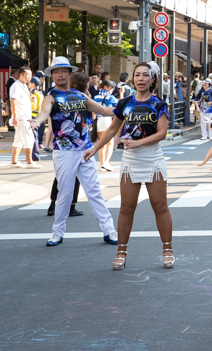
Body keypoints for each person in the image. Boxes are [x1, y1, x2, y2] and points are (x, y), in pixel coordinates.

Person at [85, 63, 174, 270]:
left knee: (160, 206)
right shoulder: (124, 103)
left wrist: (138, 143)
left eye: (145, 75)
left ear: (153, 80)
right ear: (133, 79)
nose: (141, 78)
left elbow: (162, 133)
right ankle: (121, 252)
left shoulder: (159, 104)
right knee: (126, 207)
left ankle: (167, 249)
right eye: (137, 75)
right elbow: (111, 130)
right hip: (130, 160)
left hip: (153, 158)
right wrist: (95, 148)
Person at [30, 57, 117, 247]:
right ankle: (57, 232)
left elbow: (102, 110)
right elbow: (45, 112)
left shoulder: (79, 95)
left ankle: (109, 231)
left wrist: (124, 107)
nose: (60, 74)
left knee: (94, 191)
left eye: (63, 71)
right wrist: (38, 121)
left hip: (85, 149)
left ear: (70, 74)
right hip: (64, 151)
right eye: (56, 71)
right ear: (52, 75)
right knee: (65, 194)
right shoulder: (50, 96)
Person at [9, 67, 41, 169]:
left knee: (19, 138)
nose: (29, 77)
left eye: (30, 75)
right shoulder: (16, 86)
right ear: (21, 75)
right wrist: (14, 116)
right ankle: (29, 161)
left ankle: (14, 161)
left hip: (24, 116)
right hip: (21, 116)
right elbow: (13, 101)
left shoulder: (23, 86)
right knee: (29, 137)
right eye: (27, 75)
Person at [93, 79, 118, 172]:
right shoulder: (111, 97)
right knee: (110, 143)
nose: (112, 90)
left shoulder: (95, 97)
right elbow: (119, 106)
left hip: (98, 120)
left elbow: (93, 111)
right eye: (111, 88)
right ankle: (106, 163)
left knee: (101, 143)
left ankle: (102, 163)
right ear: (106, 87)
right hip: (107, 120)